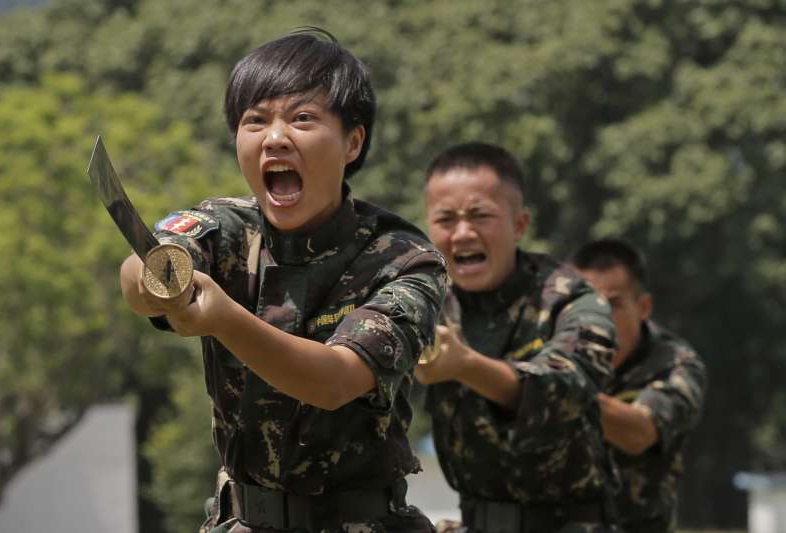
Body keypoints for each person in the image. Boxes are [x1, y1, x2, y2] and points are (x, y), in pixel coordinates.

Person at [119, 28, 447, 533]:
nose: (274, 138)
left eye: (302, 119)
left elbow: (335, 381)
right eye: (255, 121)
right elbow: (150, 265)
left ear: (352, 141)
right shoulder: (225, 226)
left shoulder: (405, 259)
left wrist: (226, 320)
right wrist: (159, 279)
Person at [415, 142, 619, 533]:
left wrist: (467, 366)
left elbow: (569, 390)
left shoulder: (571, 299)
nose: (462, 233)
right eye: (445, 219)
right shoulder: (423, 299)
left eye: (480, 216)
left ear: (519, 224)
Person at [571, 238, 707, 533]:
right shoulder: (550, 348)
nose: (598, 318)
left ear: (643, 306)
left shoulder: (676, 364)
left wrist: (563, 388)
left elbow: (640, 433)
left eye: (613, 304)